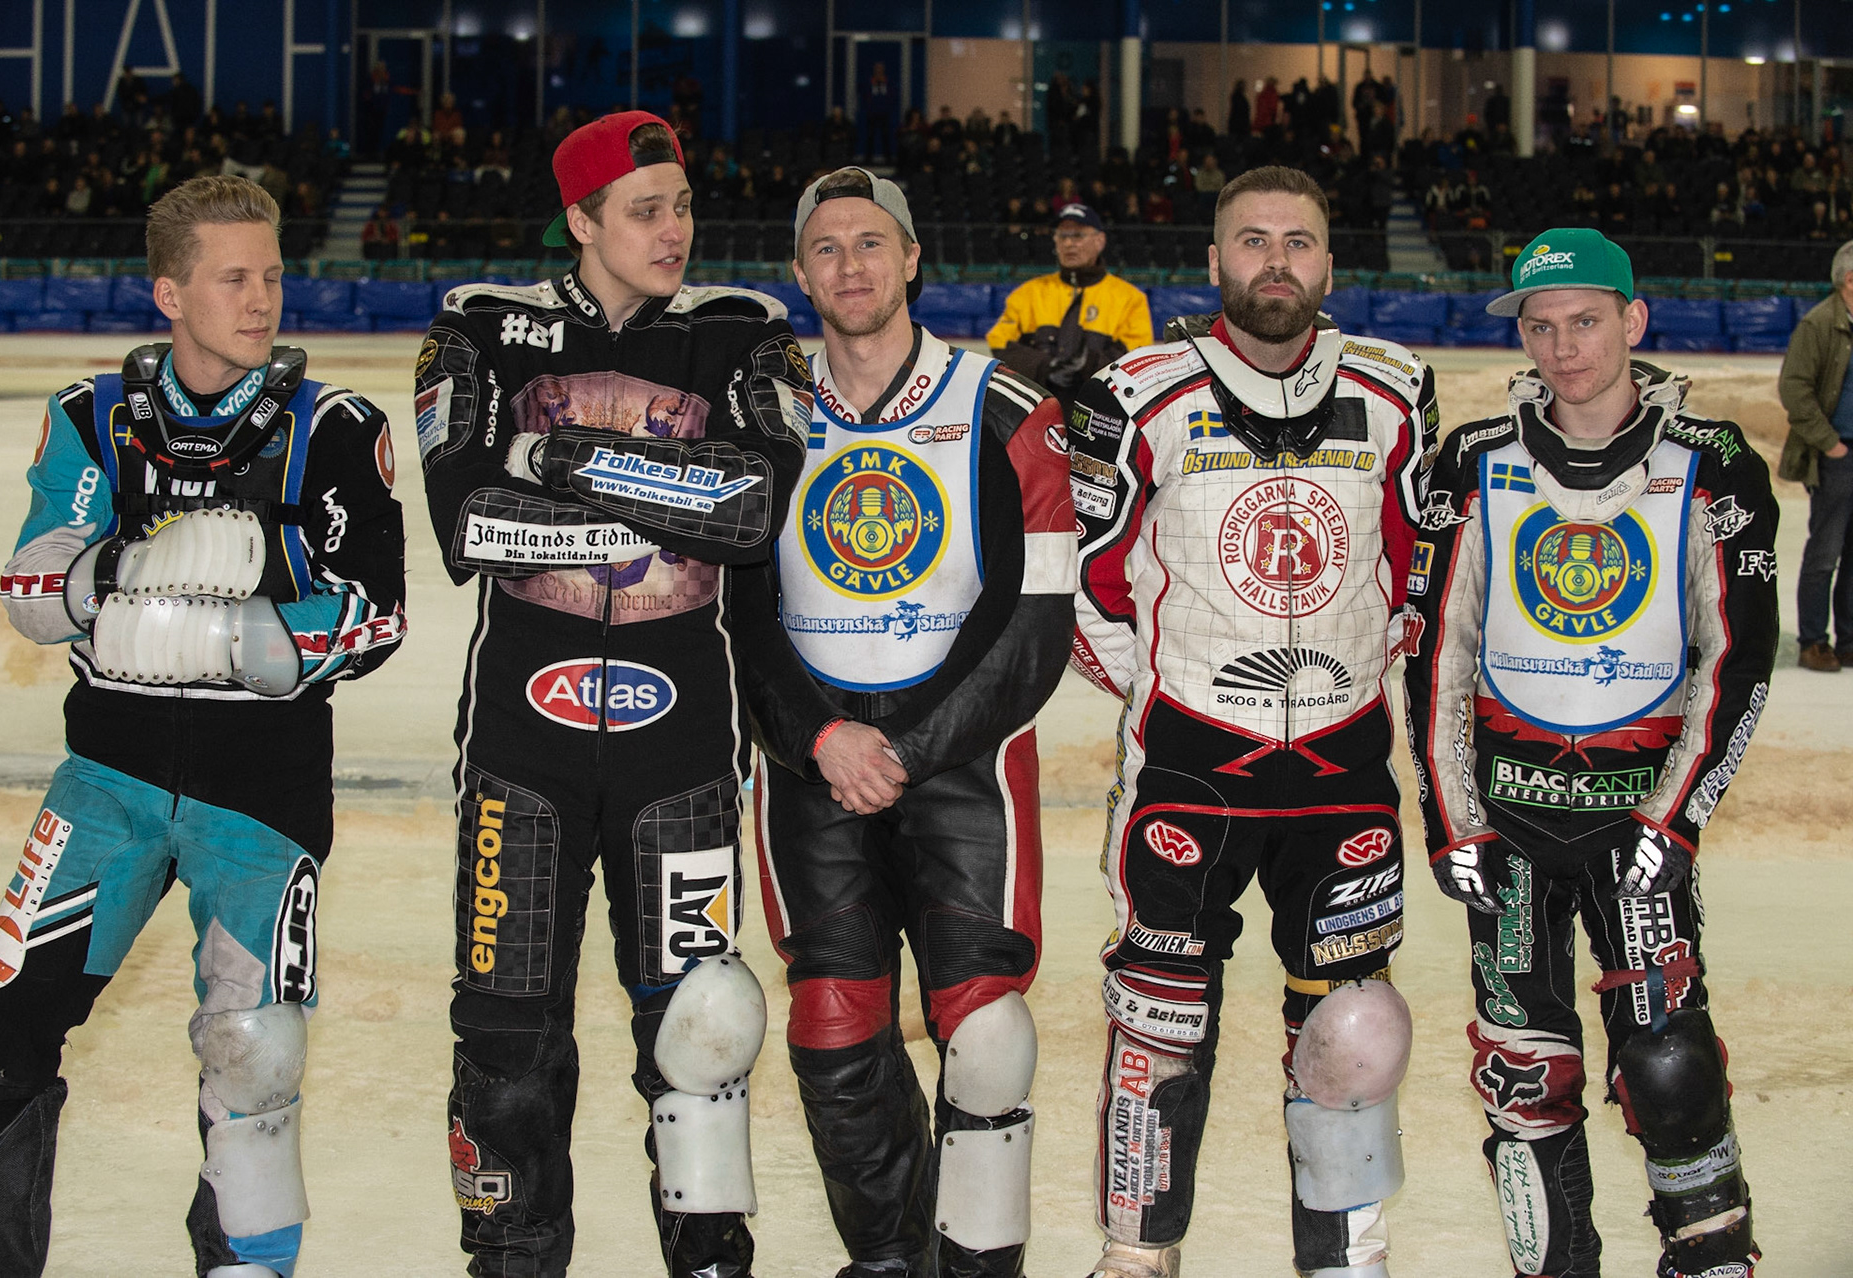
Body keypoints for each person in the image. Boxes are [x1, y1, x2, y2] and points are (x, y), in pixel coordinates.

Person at [0, 174, 407, 1278]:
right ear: (168, 292)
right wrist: (133, 571)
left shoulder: (337, 427)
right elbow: (31, 589)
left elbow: (375, 616)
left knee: (254, 1057)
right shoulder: (91, 416)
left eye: (272, 274)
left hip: (264, 796)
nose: (261, 299)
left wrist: (222, 632)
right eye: (232, 278)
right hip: (106, 779)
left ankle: (245, 1266)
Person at [413, 110, 812, 1278]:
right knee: (504, 1038)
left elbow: (752, 513)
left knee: (699, 1036)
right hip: (518, 751)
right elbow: (467, 522)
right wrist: (667, 497)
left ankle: (709, 1260)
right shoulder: (478, 329)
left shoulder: (745, 334)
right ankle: (511, 1258)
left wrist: (557, 458)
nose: (674, 229)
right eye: (645, 211)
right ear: (581, 221)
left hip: (681, 754)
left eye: (682, 205)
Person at [1066, 165, 1439, 1278]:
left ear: (1329, 262)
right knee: (1157, 1021)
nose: (1276, 261)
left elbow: (1419, 572)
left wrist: (1345, 675)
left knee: (1353, 1029)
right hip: (1188, 766)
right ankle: (1139, 1253)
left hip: (1342, 769)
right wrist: (1173, 691)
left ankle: (1346, 1254)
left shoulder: (1397, 389)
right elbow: (1086, 587)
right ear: (1213, 259)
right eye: (1253, 240)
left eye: (1298, 241)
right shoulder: (1133, 397)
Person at [1404, 228, 1777, 1278]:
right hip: (1507, 824)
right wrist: (1450, 818)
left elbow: (1738, 660)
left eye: (1584, 321)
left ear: (1633, 320)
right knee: (1523, 1078)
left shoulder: (1715, 463)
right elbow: (1436, 657)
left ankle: (1711, 1257)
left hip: (1639, 825)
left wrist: (1679, 815)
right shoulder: (1474, 460)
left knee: (1668, 1063)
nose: (1563, 347)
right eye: (1540, 326)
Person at [728, 167, 1075, 1278]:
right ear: (799, 272)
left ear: (913, 258)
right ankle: (887, 1261)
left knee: (986, 1033)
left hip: (963, 763)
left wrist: (911, 749)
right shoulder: (759, 415)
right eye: (827, 248)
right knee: (833, 1025)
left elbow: (1037, 622)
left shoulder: (1006, 407)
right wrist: (822, 738)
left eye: (872, 243)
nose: (851, 266)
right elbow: (739, 612)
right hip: (813, 762)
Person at [985, 202, 1153, 413]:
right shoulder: (1027, 293)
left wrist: (1087, 365)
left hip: (1100, 414)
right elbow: (1000, 343)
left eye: (1078, 236)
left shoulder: (1130, 299)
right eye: (1062, 236)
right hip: (1035, 411)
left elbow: (1136, 359)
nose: (1068, 243)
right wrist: (1046, 367)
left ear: (1100, 241)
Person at [1777, 237, 1853, 670]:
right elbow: (1794, 389)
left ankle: (1849, 640)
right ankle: (1813, 642)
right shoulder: (1818, 324)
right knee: (1825, 552)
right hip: (1836, 455)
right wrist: (1831, 444)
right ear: (1849, 280)